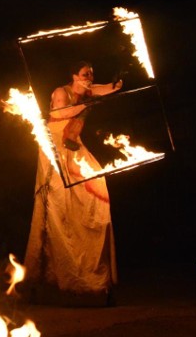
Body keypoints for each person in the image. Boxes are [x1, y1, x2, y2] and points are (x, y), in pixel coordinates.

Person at [22, 60, 123, 306]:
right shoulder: (61, 92)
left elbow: (107, 88)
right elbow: (58, 114)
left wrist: (118, 81)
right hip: (54, 149)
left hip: (73, 145)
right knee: (57, 203)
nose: (89, 78)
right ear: (73, 76)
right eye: (84, 74)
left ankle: (89, 272)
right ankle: (53, 277)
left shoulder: (88, 90)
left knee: (97, 184)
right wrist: (85, 105)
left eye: (91, 74)